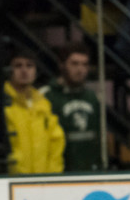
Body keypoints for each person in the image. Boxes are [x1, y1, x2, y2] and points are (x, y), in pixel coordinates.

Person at [3, 49, 65, 175]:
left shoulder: (44, 104)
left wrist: (53, 174)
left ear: (36, 71)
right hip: (12, 180)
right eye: (18, 66)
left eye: (29, 66)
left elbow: (56, 140)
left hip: (44, 180)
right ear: (9, 71)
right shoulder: (3, 104)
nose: (24, 70)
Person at [42, 43, 102, 172]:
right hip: (58, 172)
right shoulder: (46, 96)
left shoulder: (92, 97)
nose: (80, 70)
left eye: (85, 64)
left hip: (90, 171)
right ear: (62, 65)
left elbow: (98, 137)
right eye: (74, 64)